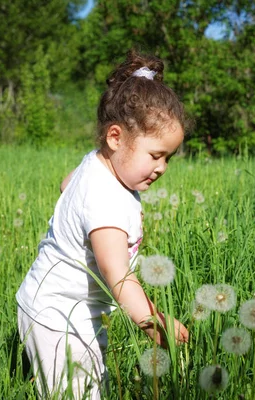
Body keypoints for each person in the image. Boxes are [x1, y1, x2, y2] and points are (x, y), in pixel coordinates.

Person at [15, 50, 190, 399]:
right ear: (115, 138)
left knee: (90, 383)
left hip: (65, 307)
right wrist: (154, 323)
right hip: (59, 317)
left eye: (168, 158)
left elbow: (67, 184)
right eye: (155, 155)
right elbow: (118, 276)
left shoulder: (96, 164)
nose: (162, 168)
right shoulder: (106, 200)